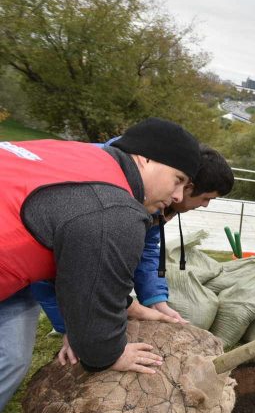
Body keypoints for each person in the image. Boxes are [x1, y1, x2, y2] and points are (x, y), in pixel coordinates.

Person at [0, 117, 202, 412]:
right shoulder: (113, 210)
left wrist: (135, 309)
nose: (178, 196)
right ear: (146, 159)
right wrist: (107, 353)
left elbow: (77, 275)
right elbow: (94, 296)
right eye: (178, 180)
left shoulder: (85, 157)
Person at [30, 144, 234, 363]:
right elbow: (64, 270)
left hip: (35, 263)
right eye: (206, 198)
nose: (205, 206)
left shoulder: (151, 197)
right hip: (23, 266)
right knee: (11, 356)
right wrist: (73, 327)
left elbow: (146, 248)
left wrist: (155, 299)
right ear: (185, 185)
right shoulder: (106, 204)